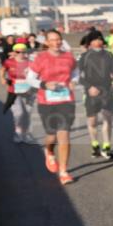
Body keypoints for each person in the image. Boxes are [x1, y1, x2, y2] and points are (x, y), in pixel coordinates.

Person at [26, 30, 79, 185]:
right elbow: (30, 79)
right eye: (52, 40)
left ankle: (63, 172)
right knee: (51, 136)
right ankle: (49, 150)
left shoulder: (68, 56)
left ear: (61, 40)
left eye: (58, 39)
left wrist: (74, 81)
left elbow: (76, 72)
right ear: (47, 42)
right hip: (46, 102)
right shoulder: (40, 58)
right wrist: (44, 84)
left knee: (64, 135)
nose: (56, 42)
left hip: (66, 100)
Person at [77, 30, 113, 160]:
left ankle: (107, 146)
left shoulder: (108, 55)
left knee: (107, 118)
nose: (98, 41)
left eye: (100, 39)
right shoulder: (84, 57)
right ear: (90, 42)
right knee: (92, 121)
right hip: (91, 93)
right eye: (95, 39)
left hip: (107, 91)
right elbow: (77, 77)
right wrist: (89, 87)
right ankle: (95, 145)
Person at [0, 42, 36, 143]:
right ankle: (18, 133)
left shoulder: (31, 62)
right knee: (19, 113)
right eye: (18, 52)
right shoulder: (9, 62)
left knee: (27, 113)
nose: (21, 54)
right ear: (14, 52)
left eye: (23, 52)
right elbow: (2, 70)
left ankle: (26, 134)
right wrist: (2, 78)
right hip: (14, 91)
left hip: (29, 91)